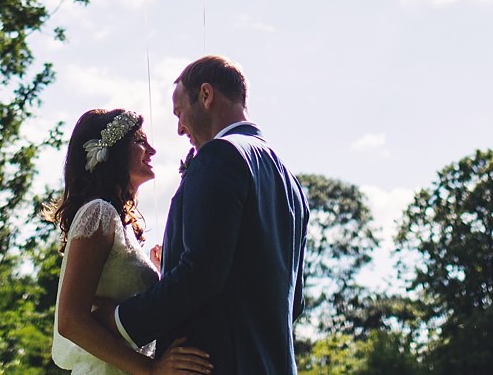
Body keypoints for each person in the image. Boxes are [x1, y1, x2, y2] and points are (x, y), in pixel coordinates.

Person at [105, 55, 310, 375]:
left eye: (179, 112)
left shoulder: (220, 155)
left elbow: (200, 275)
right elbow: (292, 302)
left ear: (206, 95)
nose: (178, 128)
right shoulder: (292, 186)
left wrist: (118, 321)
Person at [45, 107, 214, 375]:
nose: (152, 150)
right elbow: (70, 320)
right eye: (140, 141)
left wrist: (160, 272)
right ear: (110, 152)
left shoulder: (117, 222)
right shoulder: (98, 213)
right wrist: (152, 369)